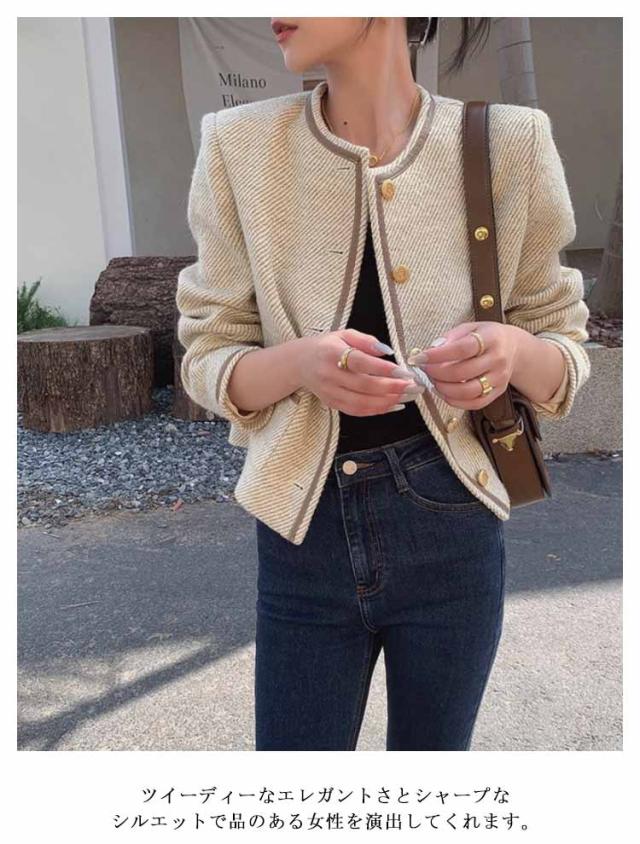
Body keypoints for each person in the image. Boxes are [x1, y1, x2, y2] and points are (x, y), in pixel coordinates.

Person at [176, 17, 591, 750]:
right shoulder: (238, 145)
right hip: (302, 527)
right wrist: (299, 364)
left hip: (453, 518)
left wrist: (509, 351)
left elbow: (562, 343)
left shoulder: (509, 142)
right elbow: (207, 354)